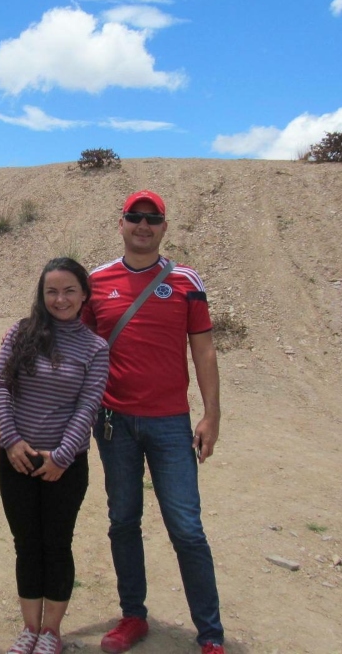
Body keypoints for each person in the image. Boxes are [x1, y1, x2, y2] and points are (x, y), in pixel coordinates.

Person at [82, 190, 225, 654]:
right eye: (135, 217)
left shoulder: (185, 280)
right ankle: (133, 616)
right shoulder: (96, 281)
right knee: (123, 520)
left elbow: (202, 349)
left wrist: (211, 414)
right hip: (112, 421)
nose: (143, 226)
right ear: (120, 223)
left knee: (186, 527)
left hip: (169, 422)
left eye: (153, 219)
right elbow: (79, 349)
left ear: (164, 227)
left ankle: (210, 635)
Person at [0, 258, 110, 654]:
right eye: (51, 291)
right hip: (17, 460)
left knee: (57, 544)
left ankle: (51, 633)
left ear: (84, 295)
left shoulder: (95, 347)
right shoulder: (20, 333)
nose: (60, 299)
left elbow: (87, 406)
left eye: (69, 290)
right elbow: (0, 387)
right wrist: (11, 441)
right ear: (41, 295)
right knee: (25, 543)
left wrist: (61, 456)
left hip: (65, 466)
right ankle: (29, 628)